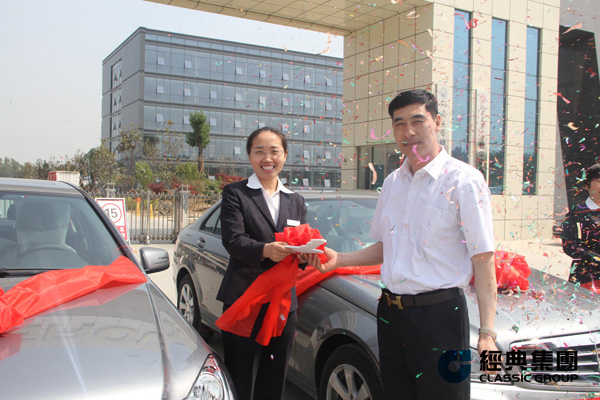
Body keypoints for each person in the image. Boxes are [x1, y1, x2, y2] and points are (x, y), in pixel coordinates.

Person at [307, 89, 499, 399]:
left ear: (437, 122)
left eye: (417, 121)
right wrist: (339, 259)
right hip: (390, 314)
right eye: (399, 124)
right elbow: (386, 247)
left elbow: (483, 256)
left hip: (440, 316)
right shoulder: (392, 183)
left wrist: (487, 332)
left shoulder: (464, 181)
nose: (408, 132)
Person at [216, 127, 307, 400]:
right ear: (249, 155)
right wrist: (265, 250)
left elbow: (301, 241)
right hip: (246, 299)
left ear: (285, 155)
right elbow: (233, 240)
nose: (267, 158)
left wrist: (306, 255)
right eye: (260, 151)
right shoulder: (235, 193)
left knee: (274, 377)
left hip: (282, 303)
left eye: (274, 151)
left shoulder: (296, 200)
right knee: (241, 376)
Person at [561, 163, 600, 292]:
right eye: (599, 181)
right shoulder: (576, 213)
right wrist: (593, 258)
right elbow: (569, 244)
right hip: (585, 278)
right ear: (587, 185)